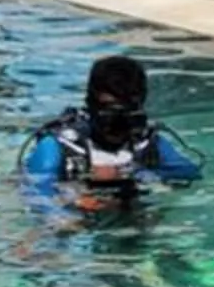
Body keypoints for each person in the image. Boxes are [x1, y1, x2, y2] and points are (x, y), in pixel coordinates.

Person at [20, 55, 201, 196]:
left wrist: (126, 174)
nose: (118, 125)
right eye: (109, 115)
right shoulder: (59, 146)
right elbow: (34, 193)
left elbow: (189, 173)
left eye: (127, 115)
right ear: (90, 104)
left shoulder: (147, 143)